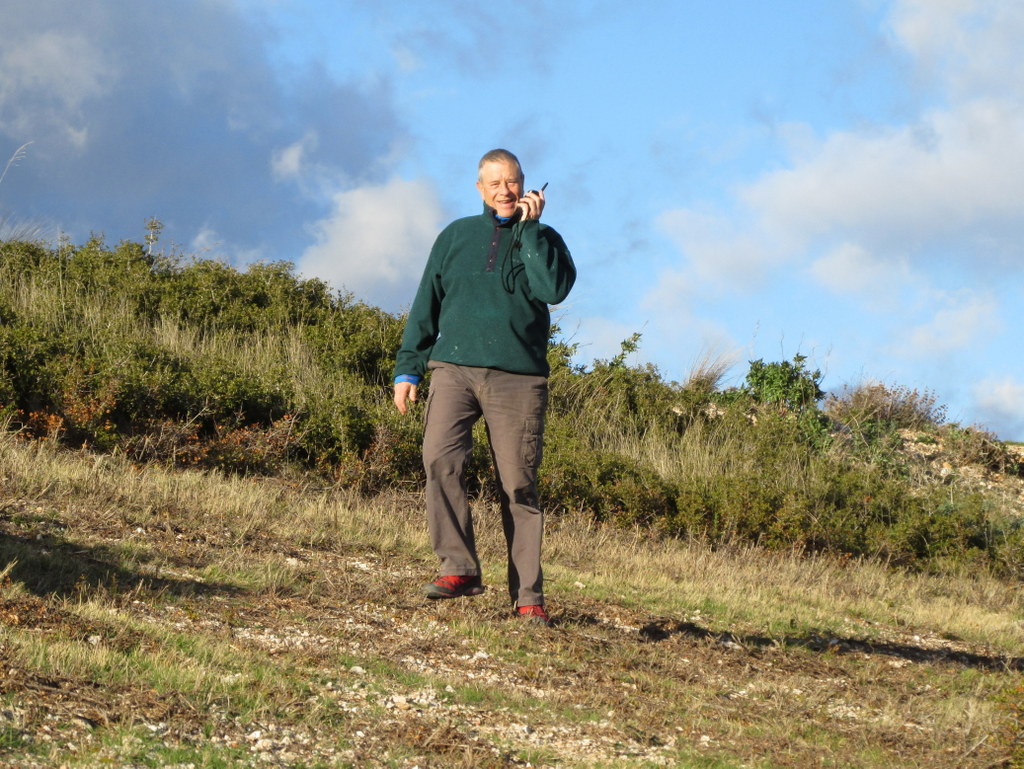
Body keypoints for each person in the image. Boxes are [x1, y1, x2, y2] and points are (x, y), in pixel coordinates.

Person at [392, 148, 576, 626]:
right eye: (494, 183)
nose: (504, 191)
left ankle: (529, 597)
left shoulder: (546, 238)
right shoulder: (454, 236)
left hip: (519, 378)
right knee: (439, 459)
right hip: (452, 369)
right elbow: (425, 303)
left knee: (518, 484)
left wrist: (530, 231)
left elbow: (553, 289)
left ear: (525, 185)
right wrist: (407, 369)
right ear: (479, 188)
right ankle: (460, 568)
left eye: (512, 182)